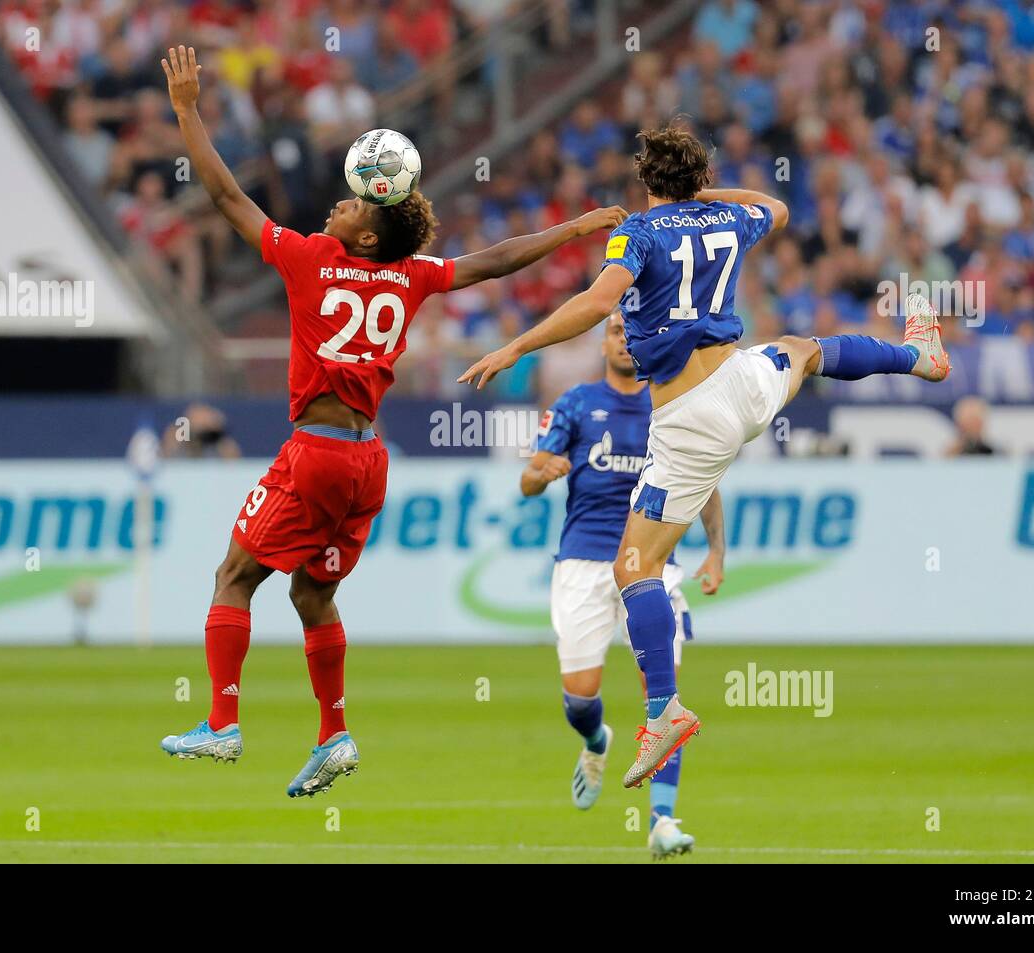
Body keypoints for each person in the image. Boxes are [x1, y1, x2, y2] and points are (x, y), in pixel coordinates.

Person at [155, 46, 627, 797]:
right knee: (312, 595)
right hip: (368, 462)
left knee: (234, 575)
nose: (334, 205)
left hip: (312, 452)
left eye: (349, 205)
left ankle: (221, 722)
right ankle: (334, 732)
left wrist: (186, 110)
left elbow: (227, 199)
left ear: (365, 235)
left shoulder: (309, 258)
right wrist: (576, 229)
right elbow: (498, 259)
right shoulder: (410, 277)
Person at [460, 123, 949, 788]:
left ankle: (663, 710)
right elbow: (775, 207)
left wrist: (517, 346)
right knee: (805, 349)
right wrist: (702, 193)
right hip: (746, 386)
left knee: (635, 567)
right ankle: (920, 357)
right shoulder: (726, 216)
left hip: (691, 417)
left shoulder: (638, 232)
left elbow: (597, 301)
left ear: (646, 182)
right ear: (698, 179)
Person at [523, 312, 724, 858]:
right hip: (584, 562)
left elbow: (703, 481)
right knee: (579, 699)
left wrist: (716, 553)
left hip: (654, 563)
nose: (623, 342)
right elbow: (530, 474)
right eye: (614, 332)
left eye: (630, 334)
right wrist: (541, 471)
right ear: (604, 341)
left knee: (663, 697)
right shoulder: (575, 404)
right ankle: (596, 741)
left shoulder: (675, 402)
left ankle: (662, 820)